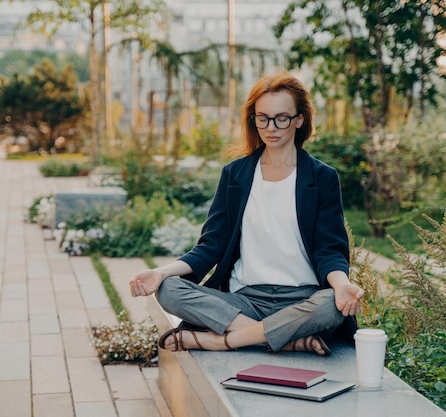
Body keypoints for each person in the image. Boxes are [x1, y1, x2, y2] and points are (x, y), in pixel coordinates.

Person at [130, 71, 364, 355]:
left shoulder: (322, 177)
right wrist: (159, 272)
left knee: (330, 306)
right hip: (245, 300)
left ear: (299, 120)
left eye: (282, 118)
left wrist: (341, 286)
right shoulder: (235, 175)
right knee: (168, 289)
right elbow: (211, 246)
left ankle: (224, 340)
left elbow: (330, 250)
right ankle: (284, 338)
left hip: (303, 301)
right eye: (262, 117)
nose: (271, 127)